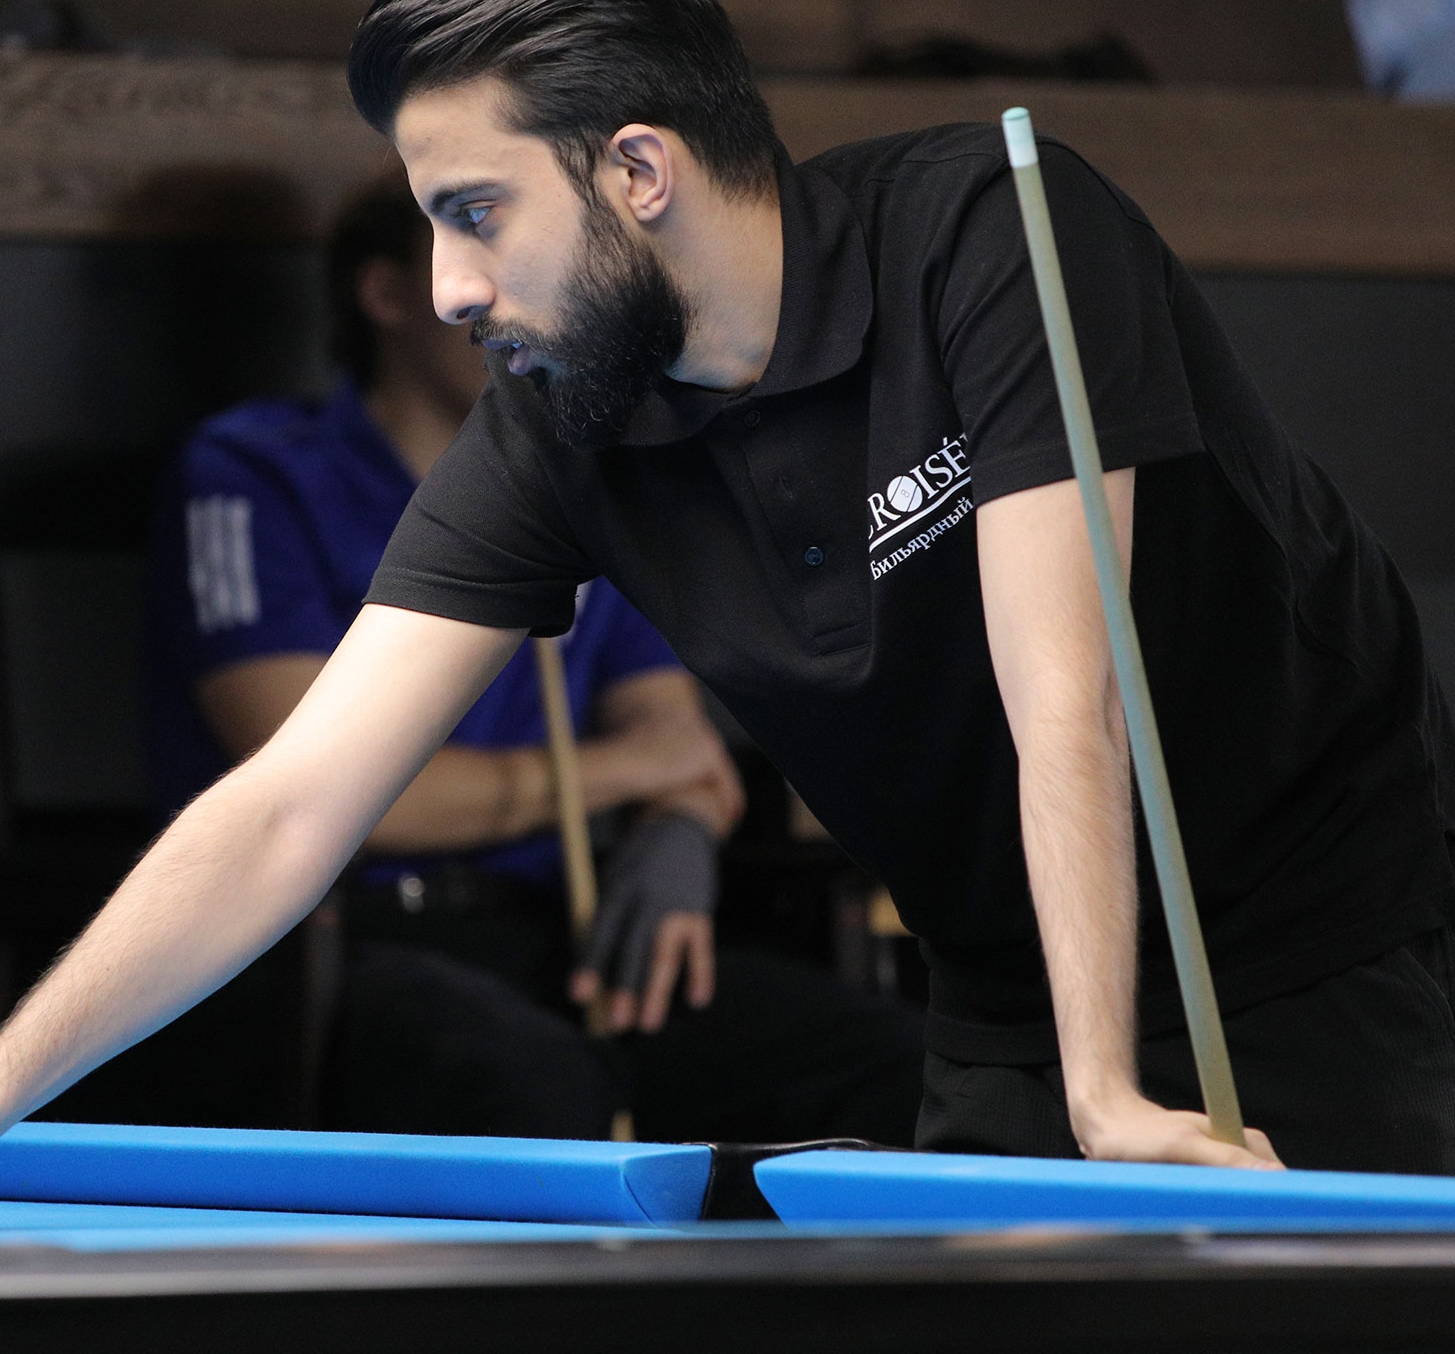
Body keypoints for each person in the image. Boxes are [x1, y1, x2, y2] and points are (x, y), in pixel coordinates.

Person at [0, 0, 1455, 1202]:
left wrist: (1110, 1093)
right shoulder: (562, 417)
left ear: (637, 172)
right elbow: (289, 802)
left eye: (475, 212)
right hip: (1007, 977)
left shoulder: (995, 231)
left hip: (1322, 929)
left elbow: (1069, 693)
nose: (447, 286)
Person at [138, 175, 923, 1143]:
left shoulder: (581, 471)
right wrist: (636, 773)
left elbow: (678, 744)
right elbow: (328, 796)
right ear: (388, 292)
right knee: (533, 1082)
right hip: (326, 946)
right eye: (481, 255)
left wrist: (678, 835)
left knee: (891, 1062)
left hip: (557, 934)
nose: (528, 298)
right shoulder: (254, 473)